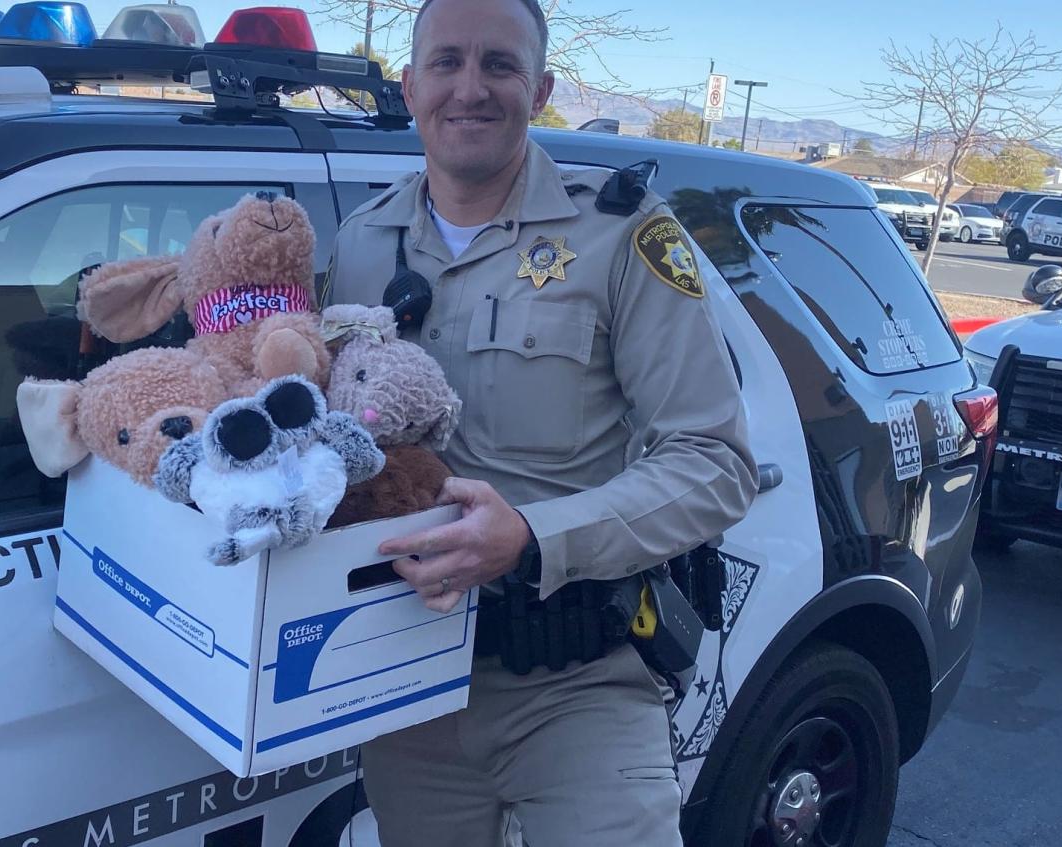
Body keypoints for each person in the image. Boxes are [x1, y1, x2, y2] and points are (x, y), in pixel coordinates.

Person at [322, 0, 759, 844]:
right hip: (406, 690)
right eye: (446, 62)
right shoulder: (363, 242)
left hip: (579, 683)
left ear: (542, 87)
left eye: (500, 65)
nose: (470, 88)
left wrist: (532, 535)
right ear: (410, 86)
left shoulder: (621, 235)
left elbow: (715, 459)